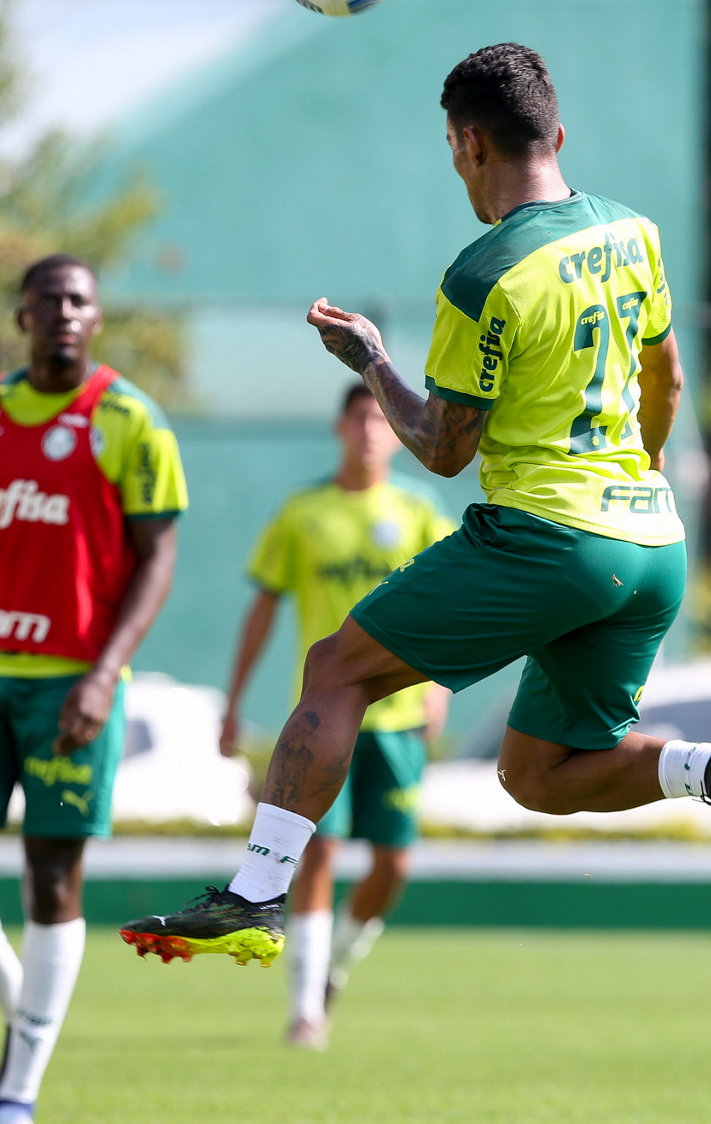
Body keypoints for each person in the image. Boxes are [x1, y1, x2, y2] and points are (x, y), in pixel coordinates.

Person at [121, 42, 711, 968]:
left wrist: (371, 362)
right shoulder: (633, 231)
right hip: (651, 542)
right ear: (558, 134)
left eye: (451, 148)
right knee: (535, 774)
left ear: (469, 144)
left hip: (551, 538)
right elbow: (664, 377)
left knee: (336, 668)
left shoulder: (484, 274)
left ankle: (256, 894)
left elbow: (442, 448)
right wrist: (648, 466)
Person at [0, 254, 187, 1124]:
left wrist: (104, 675)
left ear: (96, 318)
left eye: (78, 300)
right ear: (22, 316)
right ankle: (19, 1001)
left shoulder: (129, 418)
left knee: (51, 876)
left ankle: (16, 1089)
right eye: (47, 300)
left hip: (73, 691)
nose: (64, 311)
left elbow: (157, 560)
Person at [220, 382, 454, 1048]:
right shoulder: (304, 513)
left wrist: (439, 686)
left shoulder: (419, 510)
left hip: (399, 715)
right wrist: (233, 702)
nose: (372, 431)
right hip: (327, 717)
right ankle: (304, 1011)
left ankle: (335, 964)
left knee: (394, 864)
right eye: (360, 419)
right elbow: (263, 607)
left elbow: (451, 605)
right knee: (320, 849)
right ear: (340, 428)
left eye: (383, 420)